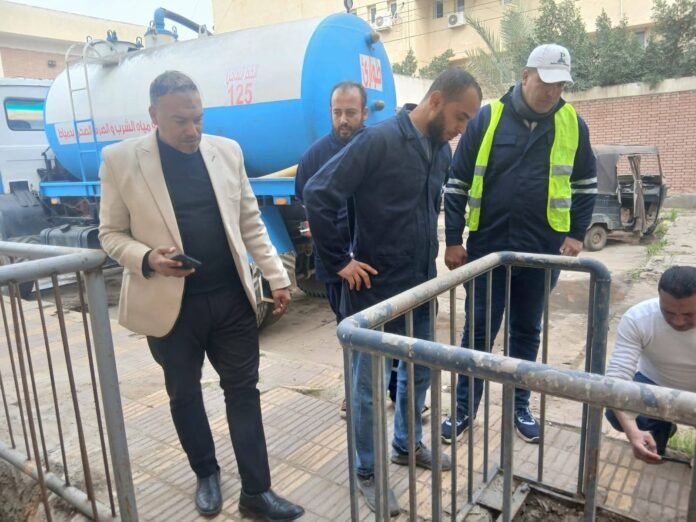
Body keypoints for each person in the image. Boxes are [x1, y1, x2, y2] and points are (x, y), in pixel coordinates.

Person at [98, 71, 304, 520]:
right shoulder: (120, 160)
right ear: (154, 116)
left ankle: (257, 491)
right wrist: (147, 257)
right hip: (171, 309)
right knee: (184, 395)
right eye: (180, 121)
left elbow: (250, 221)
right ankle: (206, 473)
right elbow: (109, 233)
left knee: (243, 392)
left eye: (198, 118)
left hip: (231, 300)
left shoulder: (226, 152)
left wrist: (276, 278)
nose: (192, 130)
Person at [304, 68, 482, 516]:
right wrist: (339, 261)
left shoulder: (440, 150)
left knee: (418, 373)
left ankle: (406, 444)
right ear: (436, 101)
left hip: (419, 287)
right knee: (366, 390)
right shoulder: (378, 141)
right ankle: (367, 470)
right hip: (375, 291)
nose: (461, 129)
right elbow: (318, 193)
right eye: (460, 117)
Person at [442, 44, 597, 445]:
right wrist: (453, 239)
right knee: (477, 333)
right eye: (546, 82)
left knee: (526, 332)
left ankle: (520, 407)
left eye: (560, 85)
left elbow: (585, 185)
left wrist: (576, 233)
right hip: (488, 250)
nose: (552, 92)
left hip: (541, 251)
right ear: (526, 76)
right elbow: (457, 182)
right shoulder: (488, 118)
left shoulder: (572, 124)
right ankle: (463, 409)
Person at [294, 81, 368, 417]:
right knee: (348, 329)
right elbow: (305, 199)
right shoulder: (314, 156)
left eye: (350, 112)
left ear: (364, 113)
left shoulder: (377, 147)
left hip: (373, 258)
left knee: (386, 327)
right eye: (337, 112)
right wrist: (337, 256)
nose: (343, 120)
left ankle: (394, 387)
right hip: (336, 263)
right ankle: (354, 393)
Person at [605, 265, 696, 464]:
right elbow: (616, 378)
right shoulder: (638, 318)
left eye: (689, 315)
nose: (678, 321)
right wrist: (632, 432)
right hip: (654, 382)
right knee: (615, 412)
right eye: (668, 312)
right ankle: (658, 435)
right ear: (659, 297)